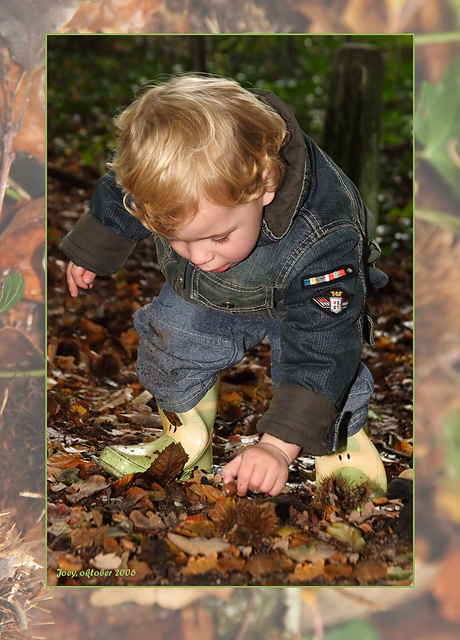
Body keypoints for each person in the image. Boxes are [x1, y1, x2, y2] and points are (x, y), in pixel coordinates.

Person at [59, 74, 388, 498]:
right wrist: (94, 248)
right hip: (212, 291)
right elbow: (124, 190)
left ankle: (343, 448)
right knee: (171, 340)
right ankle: (184, 439)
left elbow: (323, 348)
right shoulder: (169, 178)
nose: (198, 256)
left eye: (217, 237)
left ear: (264, 186)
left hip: (310, 291)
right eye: (177, 238)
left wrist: (275, 448)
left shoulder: (324, 236)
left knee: (327, 370)